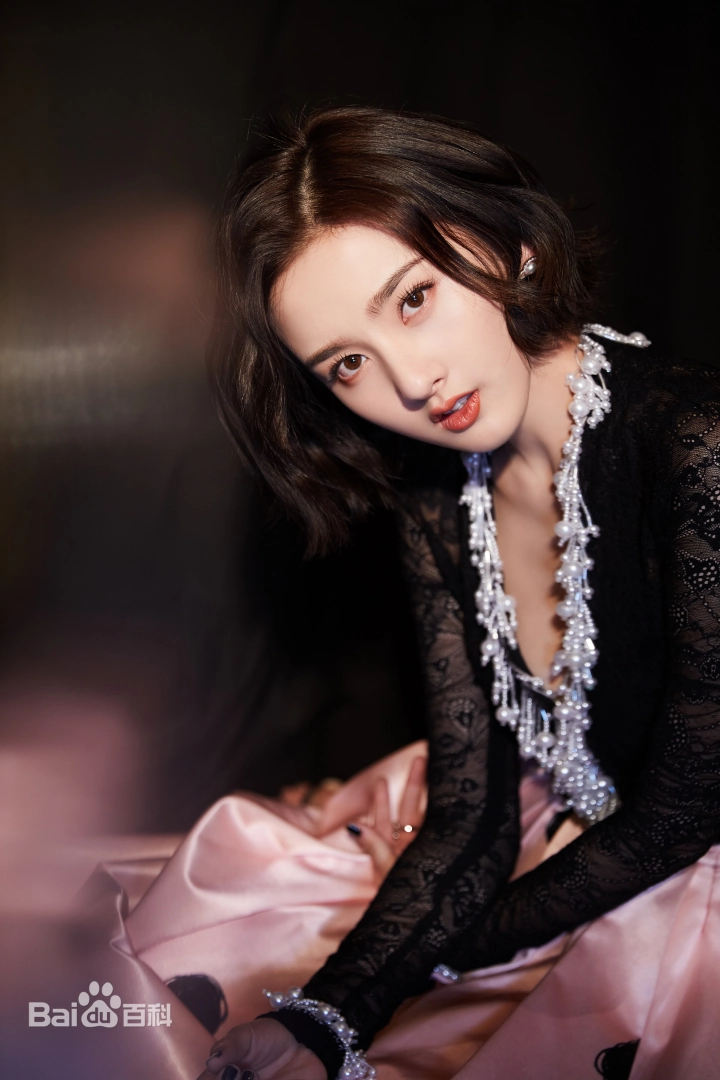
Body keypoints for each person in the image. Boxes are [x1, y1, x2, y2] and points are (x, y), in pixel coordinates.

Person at [158, 105, 719, 1080]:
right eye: (347, 363)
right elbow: (475, 810)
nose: (412, 381)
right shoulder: (438, 493)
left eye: (413, 298)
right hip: (597, 854)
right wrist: (322, 1019)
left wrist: (446, 958)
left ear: (509, 243)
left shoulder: (696, 449)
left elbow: (686, 805)